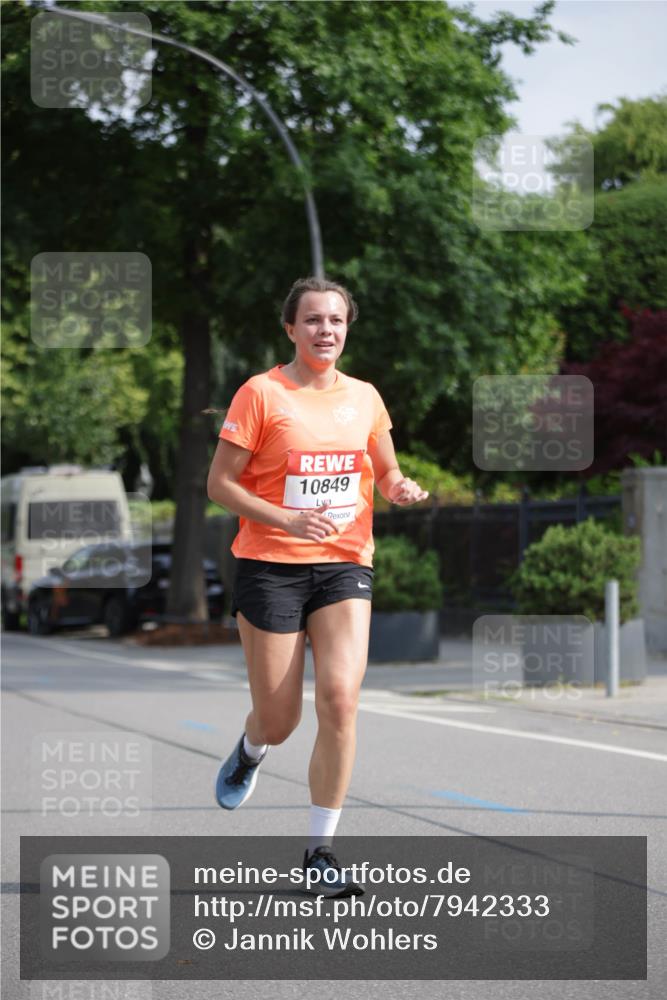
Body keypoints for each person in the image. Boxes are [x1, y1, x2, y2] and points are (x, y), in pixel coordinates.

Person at [206, 276, 428, 898]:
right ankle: (252, 747)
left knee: (340, 699)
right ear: (290, 329)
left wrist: (400, 488)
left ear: (347, 328)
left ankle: (320, 850)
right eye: (312, 320)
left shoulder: (365, 399)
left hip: (344, 562)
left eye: (335, 320)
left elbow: (385, 471)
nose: (325, 330)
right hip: (271, 562)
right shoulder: (260, 394)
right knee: (280, 720)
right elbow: (219, 485)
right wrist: (286, 518)